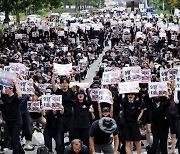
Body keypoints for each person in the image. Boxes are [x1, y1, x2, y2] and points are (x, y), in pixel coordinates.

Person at [0, 80, 25, 154]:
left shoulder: (15, 97)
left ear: (11, 89)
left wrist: (15, 83)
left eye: (6, 88)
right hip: (8, 121)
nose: (5, 89)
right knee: (15, 140)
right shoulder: (4, 96)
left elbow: (20, 95)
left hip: (16, 121)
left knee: (15, 140)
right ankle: (22, 152)